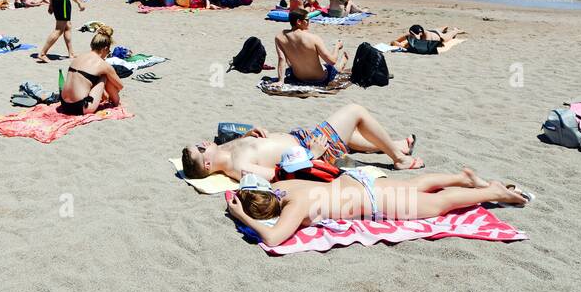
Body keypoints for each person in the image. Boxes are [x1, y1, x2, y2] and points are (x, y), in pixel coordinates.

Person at [226, 167, 526, 248]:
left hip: (371, 201)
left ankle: (493, 191)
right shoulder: (285, 188)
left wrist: (241, 216)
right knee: (417, 185)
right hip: (359, 181)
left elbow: (275, 238)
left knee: (438, 204)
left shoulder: (294, 206)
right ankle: (462, 178)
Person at [180, 103, 424, 179]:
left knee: (344, 132)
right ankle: (399, 158)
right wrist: (313, 155)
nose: (203, 142)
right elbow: (279, 174)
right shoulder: (240, 168)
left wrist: (248, 135)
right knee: (355, 111)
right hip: (311, 149)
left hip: (302, 138)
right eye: (201, 148)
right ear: (208, 165)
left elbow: (248, 146)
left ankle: (394, 145)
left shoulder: (226, 149)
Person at [57, 25, 124, 115]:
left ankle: (105, 98)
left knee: (91, 78)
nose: (108, 54)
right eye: (109, 52)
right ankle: (116, 104)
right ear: (105, 48)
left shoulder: (79, 57)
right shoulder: (103, 64)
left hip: (64, 104)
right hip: (80, 107)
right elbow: (120, 86)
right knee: (104, 76)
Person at [274, 9, 347, 85]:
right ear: (299, 22)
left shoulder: (279, 37)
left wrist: (280, 81)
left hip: (298, 78)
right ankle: (340, 66)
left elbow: (282, 59)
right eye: (307, 20)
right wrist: (337, 47)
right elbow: (332, 61)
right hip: (320, 79)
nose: (309, 22)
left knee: (296, 65)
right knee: (330, 67)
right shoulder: (314, 38)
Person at [390, 23, 463, 48]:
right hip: (431, 31)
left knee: (449, 35)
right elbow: (398, 40)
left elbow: (407, 46)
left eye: (413, 35)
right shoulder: (415, 33)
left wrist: (398, 44)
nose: (411, 36)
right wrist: (396, 42)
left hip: (439, 37)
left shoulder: (426, 39)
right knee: (433, 30)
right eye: (411, 34)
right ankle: (443, 28)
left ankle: (455, 30)